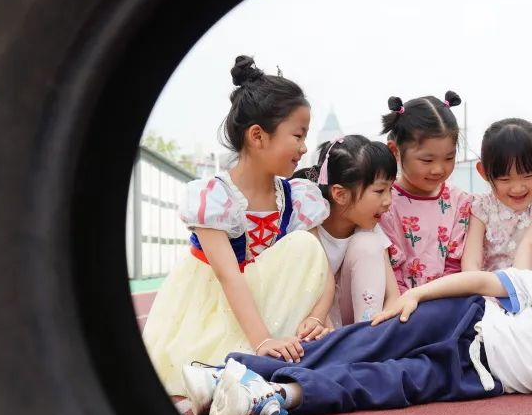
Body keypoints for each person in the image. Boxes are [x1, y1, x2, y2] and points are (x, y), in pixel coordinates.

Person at [181, 198, 532, 415]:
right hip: (462, 318)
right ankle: (233, 369)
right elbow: (485, 282)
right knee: (363, 341)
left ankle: (270, 396)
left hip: (477, 376)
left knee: (385, 384)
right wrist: (417, 296)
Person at [143, 56, 333, 396]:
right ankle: (254, 356)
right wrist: (261, 341)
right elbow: (230, 277)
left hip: (271, 306)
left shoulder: (298, 197)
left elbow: (321, 270)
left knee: (306, 247)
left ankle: (281, 351)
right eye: (298, 135)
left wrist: (318, 317)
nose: (304, 148)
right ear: (258, 136)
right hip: (218, 308)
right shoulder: (214, 198)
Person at [291, 135, 400, 326]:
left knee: (367, 242)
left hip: (359, 330)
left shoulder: (370, 231)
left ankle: (365, 340)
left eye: (390, 189)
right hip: (314, 328)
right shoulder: (309, 228)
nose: (388, 201)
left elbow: (393, 297)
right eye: (379, 191)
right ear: (340, 194)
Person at [377, 92, 474, 292]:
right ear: (395, 151)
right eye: (427, 160)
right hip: (400, 304)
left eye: (449, 158)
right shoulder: (384, 203)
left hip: (448, 299)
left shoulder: (460, 202)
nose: (438, 169)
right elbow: (390, 270)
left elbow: (455, 266)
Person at [461, 118, 532, 273]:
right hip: (493, 288)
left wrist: (517, 292)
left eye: (528, 176)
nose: (517, 188)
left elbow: (529, 243)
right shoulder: (481, 207)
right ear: (483, 172)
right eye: (505, 179)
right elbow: (471, 264)